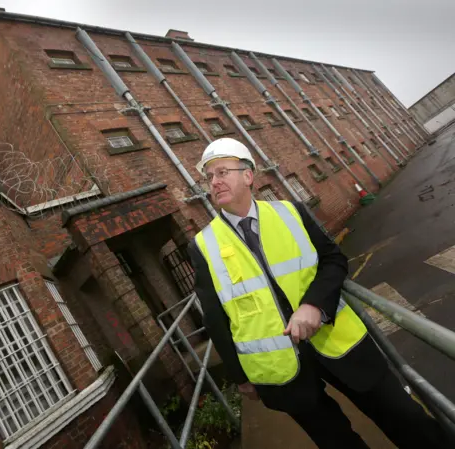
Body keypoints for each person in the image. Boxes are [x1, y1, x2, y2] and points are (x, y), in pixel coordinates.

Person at [186, 137, 448, 448]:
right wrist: (240, 375)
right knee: (336, 442)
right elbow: (215, 318)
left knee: (407, 419)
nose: (214, 182)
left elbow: (333, 260)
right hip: (281, 368)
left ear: (248, 175)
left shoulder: (291, 213)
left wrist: (315, 305)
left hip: (337, 340)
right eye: (209, 176)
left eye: (222, 172)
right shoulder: (203, 245)